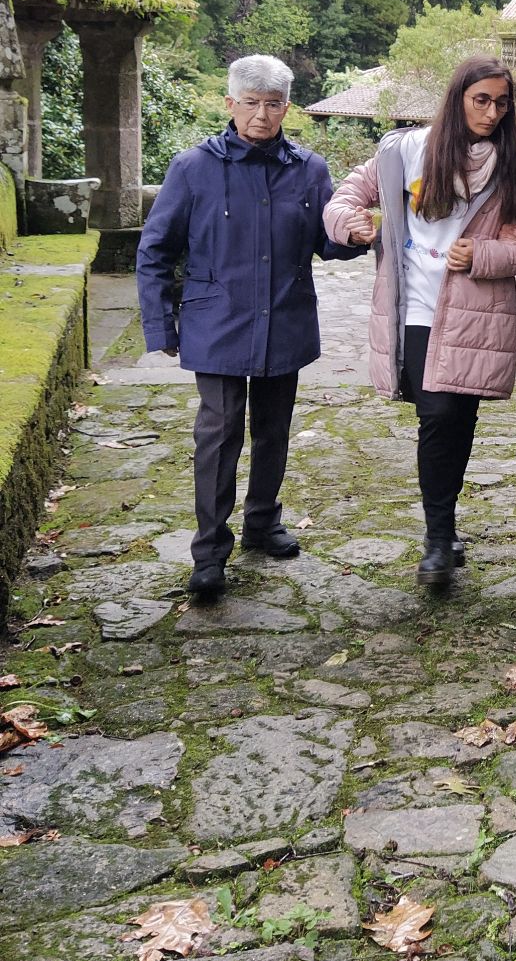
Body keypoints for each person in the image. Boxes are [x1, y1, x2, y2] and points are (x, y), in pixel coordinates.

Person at [137, 54, 362, 603]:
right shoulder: (193, 168)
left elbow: (324, 242)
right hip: (217, 322)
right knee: (218, 435)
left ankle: (262, 522)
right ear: (230, 103)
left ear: (288, 108)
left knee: (273, 427)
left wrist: (354, 236)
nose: (262, 115)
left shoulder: (308, 169)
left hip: (284, 319)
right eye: (252, 103)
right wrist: (160, 325)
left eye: (274, 105)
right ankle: (210, 551)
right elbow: (155, 250)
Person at [324, 57, 516, 585]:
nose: (493, 112)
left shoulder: (513, 159)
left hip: (476, 310)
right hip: (415, 307)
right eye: (482, 100)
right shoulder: (404, 150)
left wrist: (486, 254)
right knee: (437, 414)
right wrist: (350, 224)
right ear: (458, 99)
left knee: (458, 415)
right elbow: (343, 199)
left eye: (502, 102)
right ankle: (437, 538)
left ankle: (444, 527)